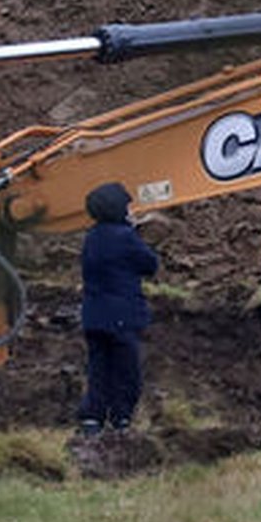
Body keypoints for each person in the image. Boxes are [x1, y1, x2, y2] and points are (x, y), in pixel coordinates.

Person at [78, 182, 160, 436]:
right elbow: (150, 264)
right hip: (122, 316)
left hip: (94, 316)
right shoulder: (124, 237)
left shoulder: (91, 237)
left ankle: (93, 417)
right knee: (126, 370)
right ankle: (121, 418)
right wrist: (134, 231)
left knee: (98, 369)